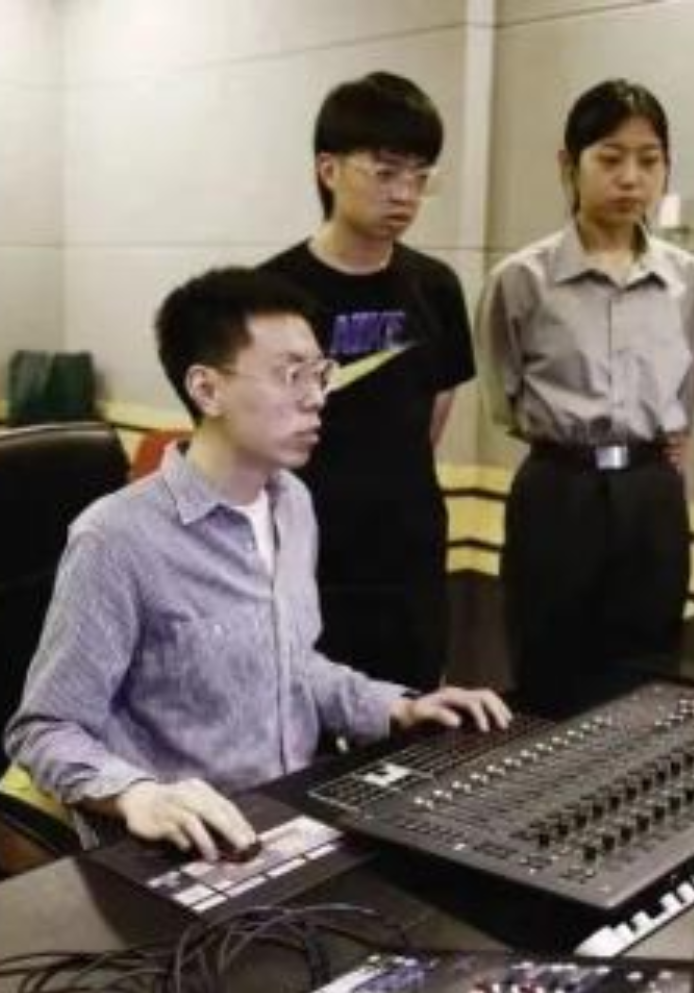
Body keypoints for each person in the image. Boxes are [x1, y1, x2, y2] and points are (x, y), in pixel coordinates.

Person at [4, 267, 509, 862]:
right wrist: (136, 793)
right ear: (207, 390)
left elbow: (293, 666)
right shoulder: (116, 539)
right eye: (291, 375)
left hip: (294, 818)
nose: (317, 397)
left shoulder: (293, 503)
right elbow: (45, 729)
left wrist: (397, 707)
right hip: (189, 846)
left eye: (320, 374)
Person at [477, 79, 694, 715]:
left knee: (650, 675)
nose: (631, 178)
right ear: (568, 164)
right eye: (610, 158)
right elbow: (503, 396)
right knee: (548, 668)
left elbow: (687, 387)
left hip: (651, 492)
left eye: (649, 160)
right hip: (560, 487)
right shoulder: (521, 280)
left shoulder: (688, 280)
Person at [259, 71, 477, 692]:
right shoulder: (271, 293)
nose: (405, 193)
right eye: (385, 172)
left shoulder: (436, 286)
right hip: (304, 559)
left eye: (420, 175)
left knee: (414, 719)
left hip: (409, 558)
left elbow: (432, 417)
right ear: (328, 170)